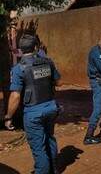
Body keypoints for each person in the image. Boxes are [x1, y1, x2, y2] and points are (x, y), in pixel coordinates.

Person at [4, 34, 61, 174]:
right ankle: (54, 169)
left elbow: (16, 96)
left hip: (33, 112)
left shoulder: (19, 69)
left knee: (38, 147)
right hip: (51, 107)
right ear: (36, 47)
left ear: (21, 50)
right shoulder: (48, 62)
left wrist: (8, 116)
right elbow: (59, 82)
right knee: (50, 139)